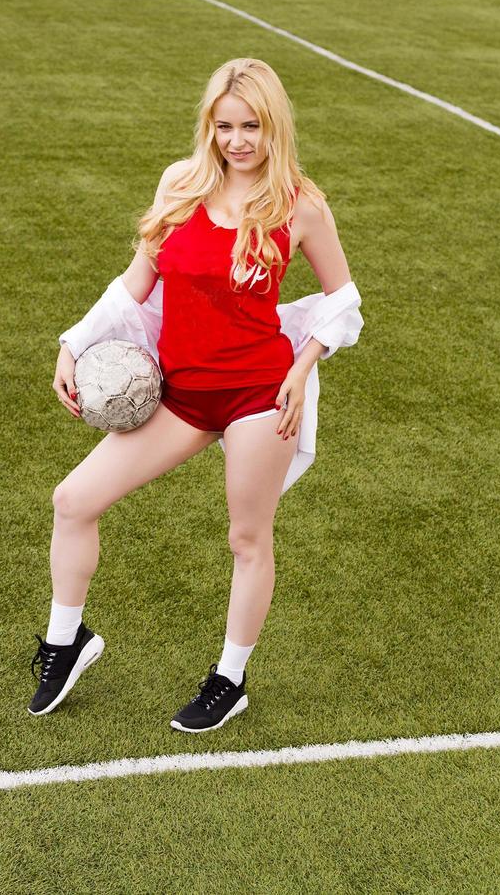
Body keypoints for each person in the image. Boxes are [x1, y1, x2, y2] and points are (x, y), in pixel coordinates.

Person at [28, 58, 363, 732]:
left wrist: (302, 367)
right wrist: (73, 343)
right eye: (224, 126)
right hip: (180, 394)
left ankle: (228, 679)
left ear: (274, 128)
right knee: (73, 500)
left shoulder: (299, 204)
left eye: (251, 127)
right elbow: (135, 283)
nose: (237, 141)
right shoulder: (180, 186)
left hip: (257, 396)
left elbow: (343, 300)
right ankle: (65, 643)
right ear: (207, 126)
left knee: (246, 536)